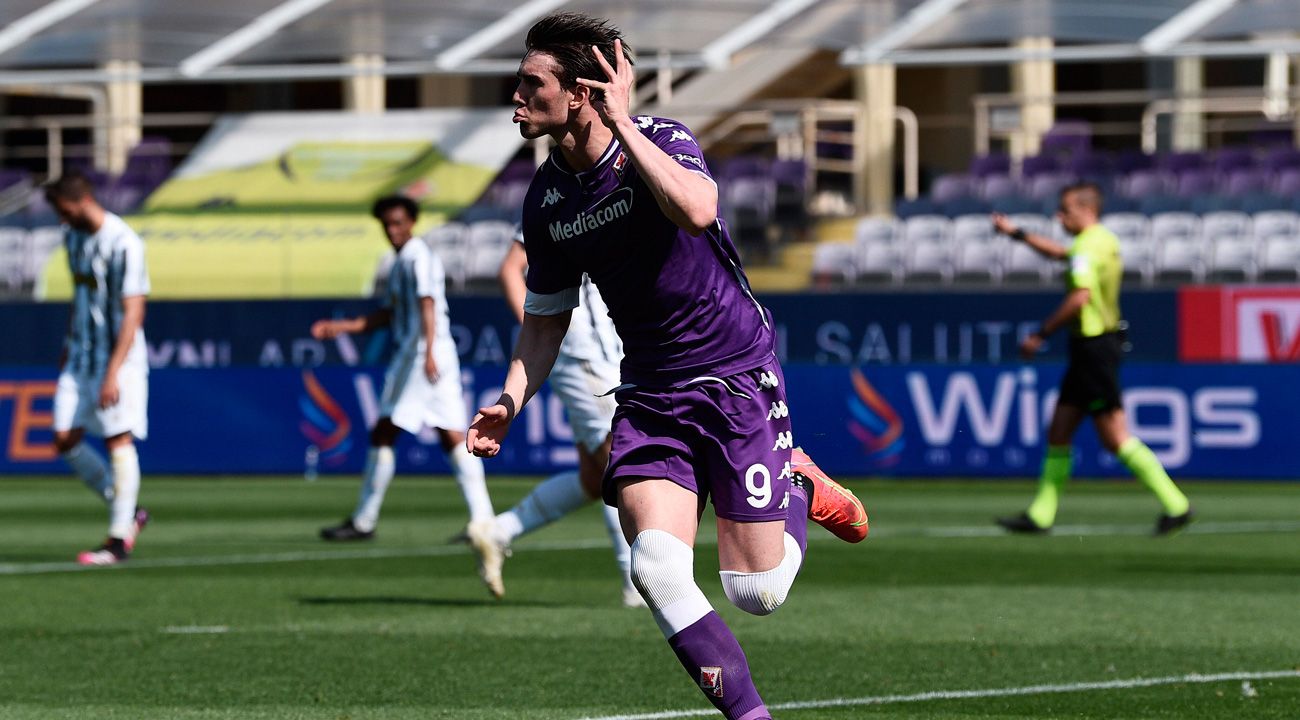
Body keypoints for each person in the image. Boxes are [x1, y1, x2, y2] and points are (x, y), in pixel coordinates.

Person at [466, 14, 868, 719]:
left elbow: (697, 209)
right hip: (650, 392)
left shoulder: (660, 139)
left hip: (733, 374)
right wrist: (510, 399)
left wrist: (624, 126)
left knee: (757, 594)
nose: (517, 96)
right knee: (654, 567)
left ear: (583, 94)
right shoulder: (546, 200)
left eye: (533, 83)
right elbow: (546, 318)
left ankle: (797, 484)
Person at [312, 196, 499, 592]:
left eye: (398, 222)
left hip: (421, 356)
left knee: (383, 431)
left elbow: (428, 303)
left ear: (411, 222)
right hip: (430, 355)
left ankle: (364, 521)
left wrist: (428, 351)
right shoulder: (402, 261)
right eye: (387, 224)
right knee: (452, 435)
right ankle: (483, 521)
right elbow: (389, 314)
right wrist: (342, 328)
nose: (393, 229)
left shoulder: (418, 257)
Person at [992, 183, 1193, 536]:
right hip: (1093, 347)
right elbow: (1059, 254)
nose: (1059, 216)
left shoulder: (1087, 246)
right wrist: (1017, 234)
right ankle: (1041, 515)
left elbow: (1080, 297)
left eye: (1065, 209)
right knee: (1059, 431)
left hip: (1094, 349)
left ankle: (1176, 504)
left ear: (1086, 210)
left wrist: (1040, 334)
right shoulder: (1103, 241)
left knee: (1115, 437)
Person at [461, 230, 642, 607]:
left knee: (594, 479)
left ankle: (499, 531)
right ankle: (638, 584)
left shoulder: (601, 190)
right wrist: (539, 332)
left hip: (599, 349)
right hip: (584, 352)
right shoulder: (554, 193)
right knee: (619, 460)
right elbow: (511, 268)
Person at [46, 171, 151, 566]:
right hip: (80, 355)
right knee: (64, 438)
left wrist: (113, 372)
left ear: (78, 202)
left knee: (117, 439)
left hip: (117, 360)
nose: (60, 219)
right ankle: (130, 512)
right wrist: (68, 343)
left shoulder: (124, 243)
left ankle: (117, 539)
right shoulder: (73, 237)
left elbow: (134, 310)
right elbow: (80, 296)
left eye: (62, 211)